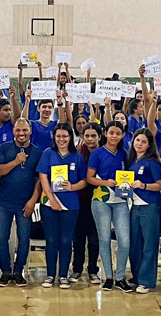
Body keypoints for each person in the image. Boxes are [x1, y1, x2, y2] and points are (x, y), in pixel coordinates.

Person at [37, 123, 87, 289]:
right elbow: (43, 177)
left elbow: (84, 181)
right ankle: (51, 274)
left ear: (70, 137)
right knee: (51, 239)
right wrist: (51, 198)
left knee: (66, 240)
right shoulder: (48, 154)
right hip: (49, 203)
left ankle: (63, 275)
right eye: (58, 136)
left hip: (71, 204)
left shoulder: (77, 157)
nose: (61, 139)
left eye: (65, 136)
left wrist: (72, 187)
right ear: (54, 137)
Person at [0, 119, 42, 287]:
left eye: (25, 130)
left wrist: (32, 200)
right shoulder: (4, 148)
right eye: (18, 130)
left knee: (24, 238)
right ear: (13, 131)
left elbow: (39, 180)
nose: (21, 134)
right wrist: (15, 161)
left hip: (25, 204)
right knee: (2, 238)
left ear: (30, 131)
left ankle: (19, 270)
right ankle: (6, 271)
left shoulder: (37, 152)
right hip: (4, 202)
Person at [87, 121, 132, 292]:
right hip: (101, 200)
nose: (114, 136)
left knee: (124, 241)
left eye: (117, 133)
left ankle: (120, 277)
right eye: (111, 132)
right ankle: (108, 276)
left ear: (122, 135)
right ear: (105, 133)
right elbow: (89, 178)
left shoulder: (124, 154)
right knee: (104, 239)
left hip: (120, 201)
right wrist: (105, 182)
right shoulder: (97, 154)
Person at [124, 128, 161, 293]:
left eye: (143, 141)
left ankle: (146, 280)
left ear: (149, 145)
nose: (139, 144)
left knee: (149, 244)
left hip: (150, 206)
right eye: (137, 140)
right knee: (135, 244)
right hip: (135, 207)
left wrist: (144, 185)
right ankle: (136, 276)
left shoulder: (152, 162)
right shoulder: (131, 161)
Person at [72, 122, 102, 284]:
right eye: (87, 136)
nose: (90, 139)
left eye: (93, 136)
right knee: (78, 238)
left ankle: (92, 270)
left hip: (98, 201)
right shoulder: (77, 154)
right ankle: (76, 269)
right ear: (82, 137)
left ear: (99, 136)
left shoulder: (104, 153)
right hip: (79, 201)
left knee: (94, 239)